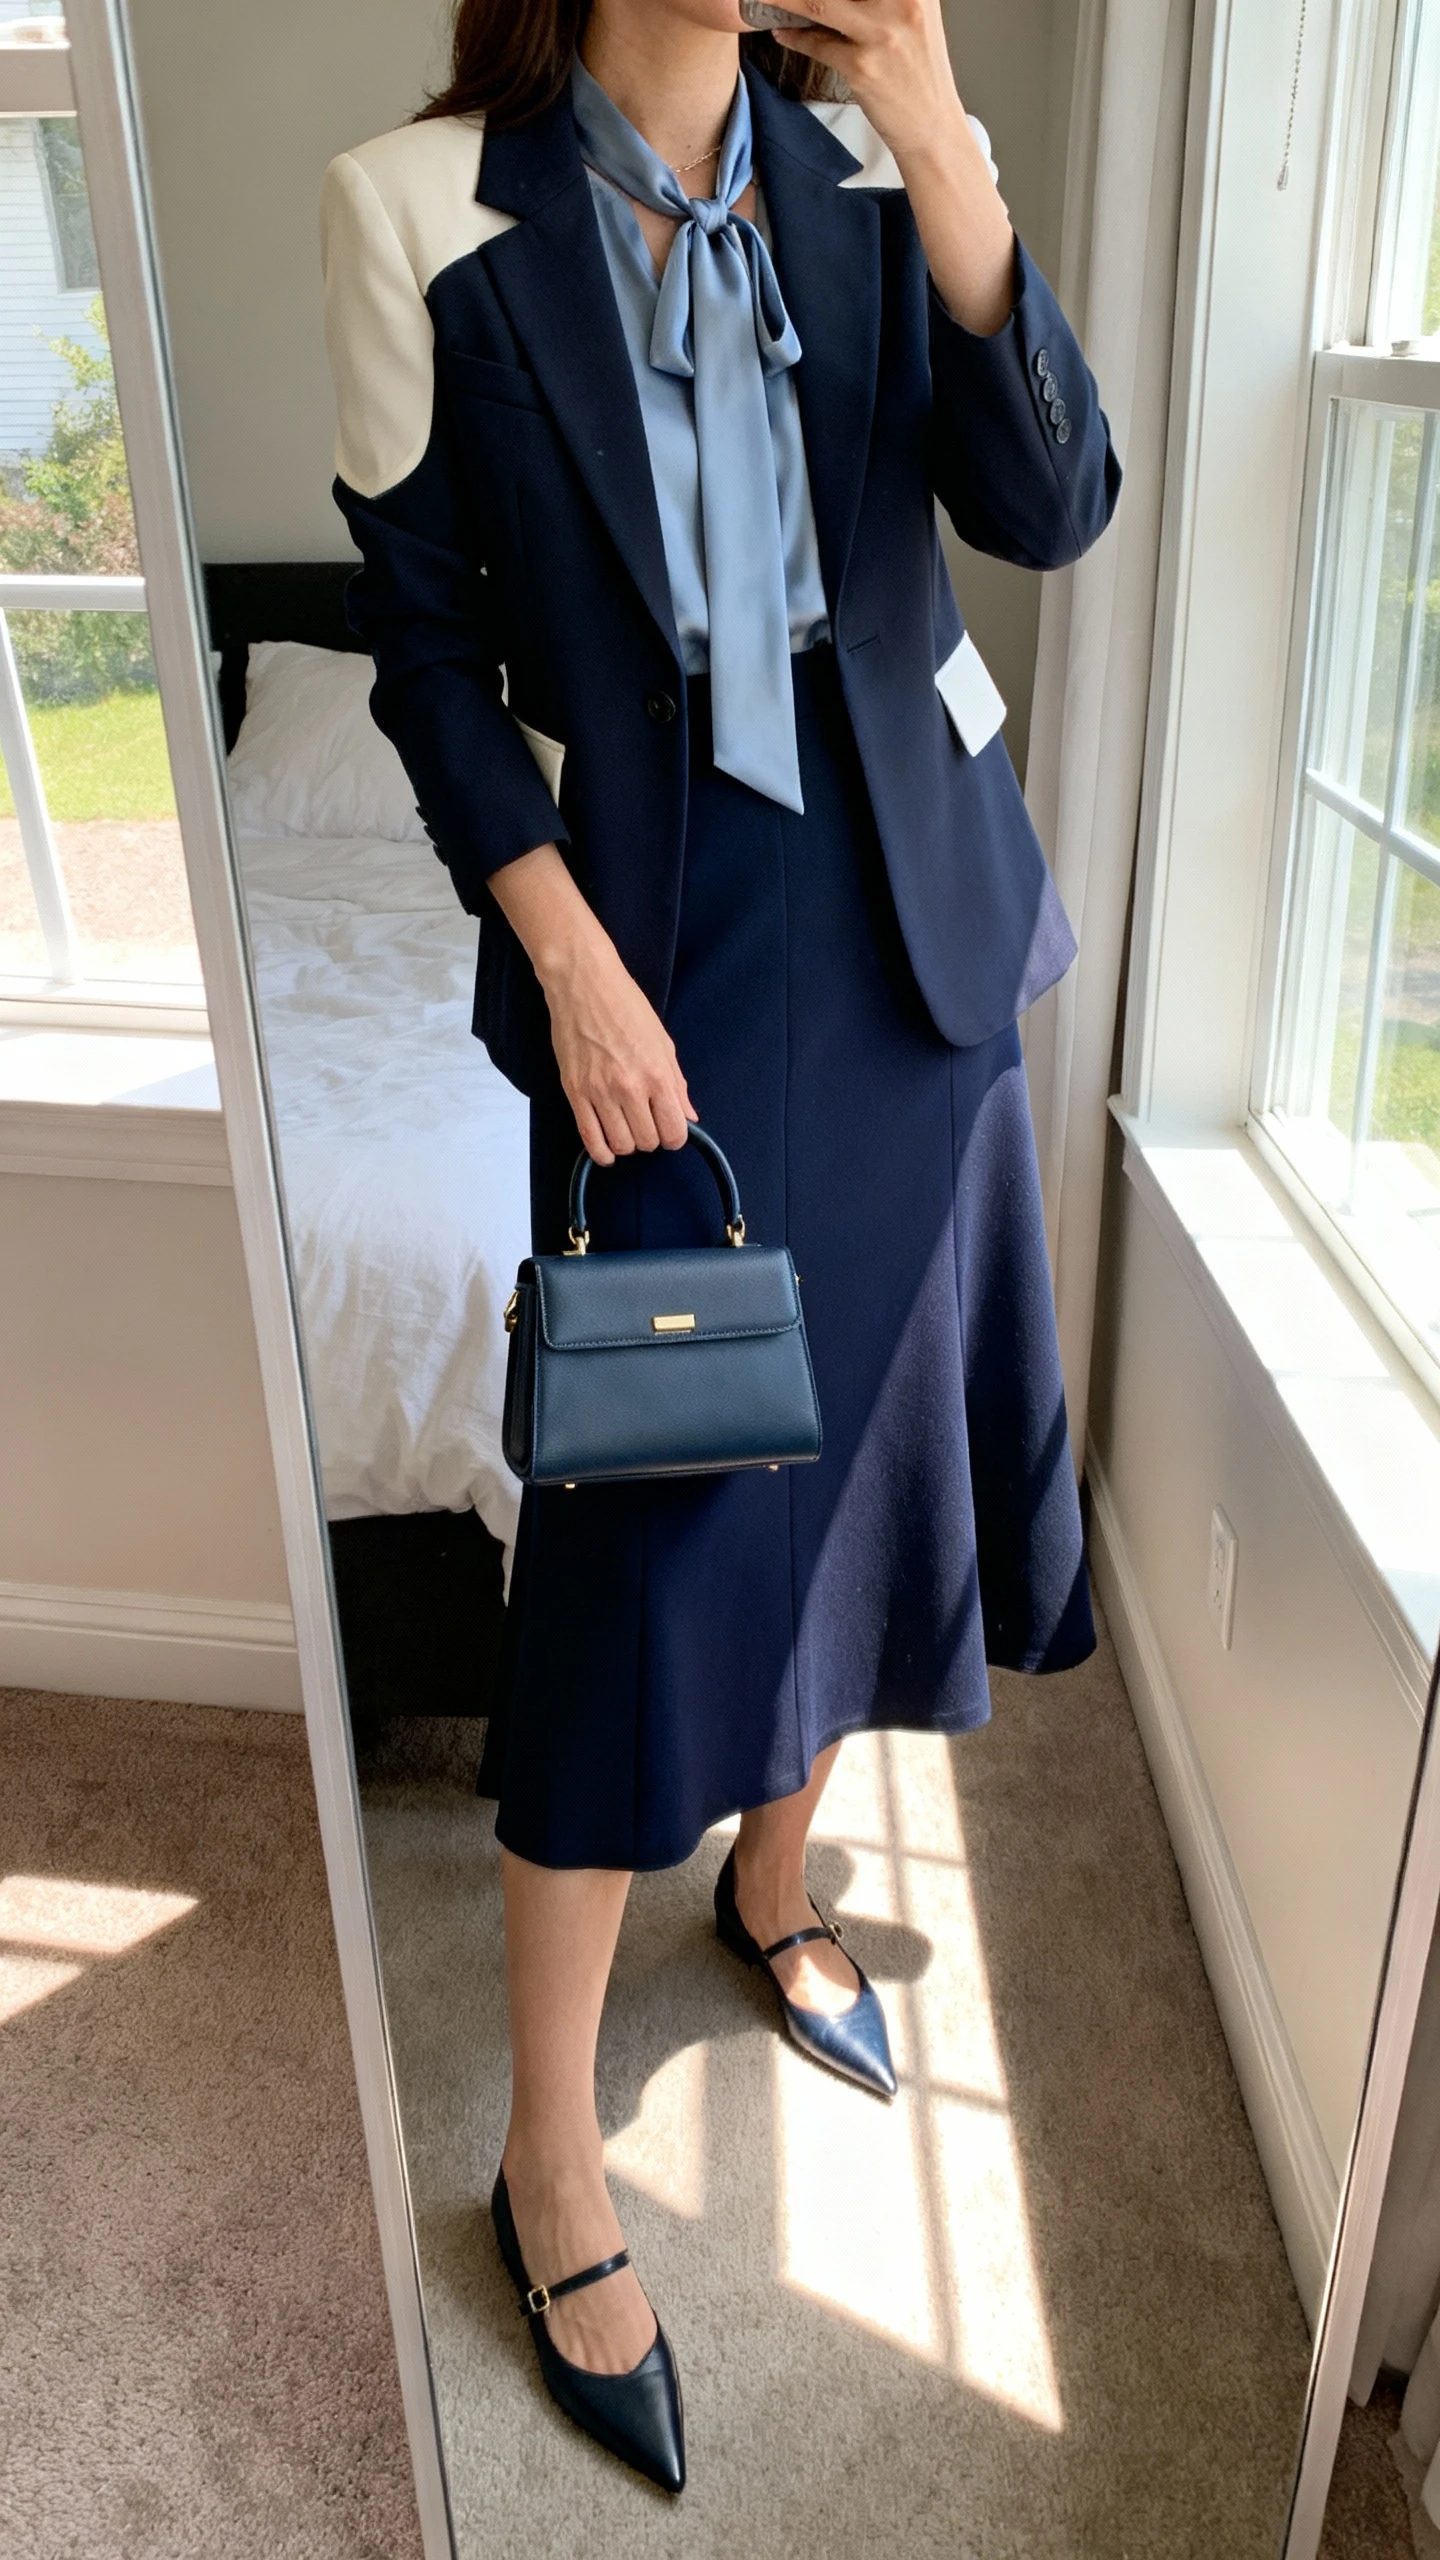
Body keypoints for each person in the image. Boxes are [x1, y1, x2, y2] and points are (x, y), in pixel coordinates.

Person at [321, 0, 1118, 2492]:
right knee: (642, 1542)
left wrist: (948, 134)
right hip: (658, 955)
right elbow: (432, 659)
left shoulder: (883, 172)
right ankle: (550, 2143)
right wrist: (565, 958)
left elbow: (1054, 499)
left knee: (895, 1451)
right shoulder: (418, 212)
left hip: (923, 941)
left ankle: (779, 1873)